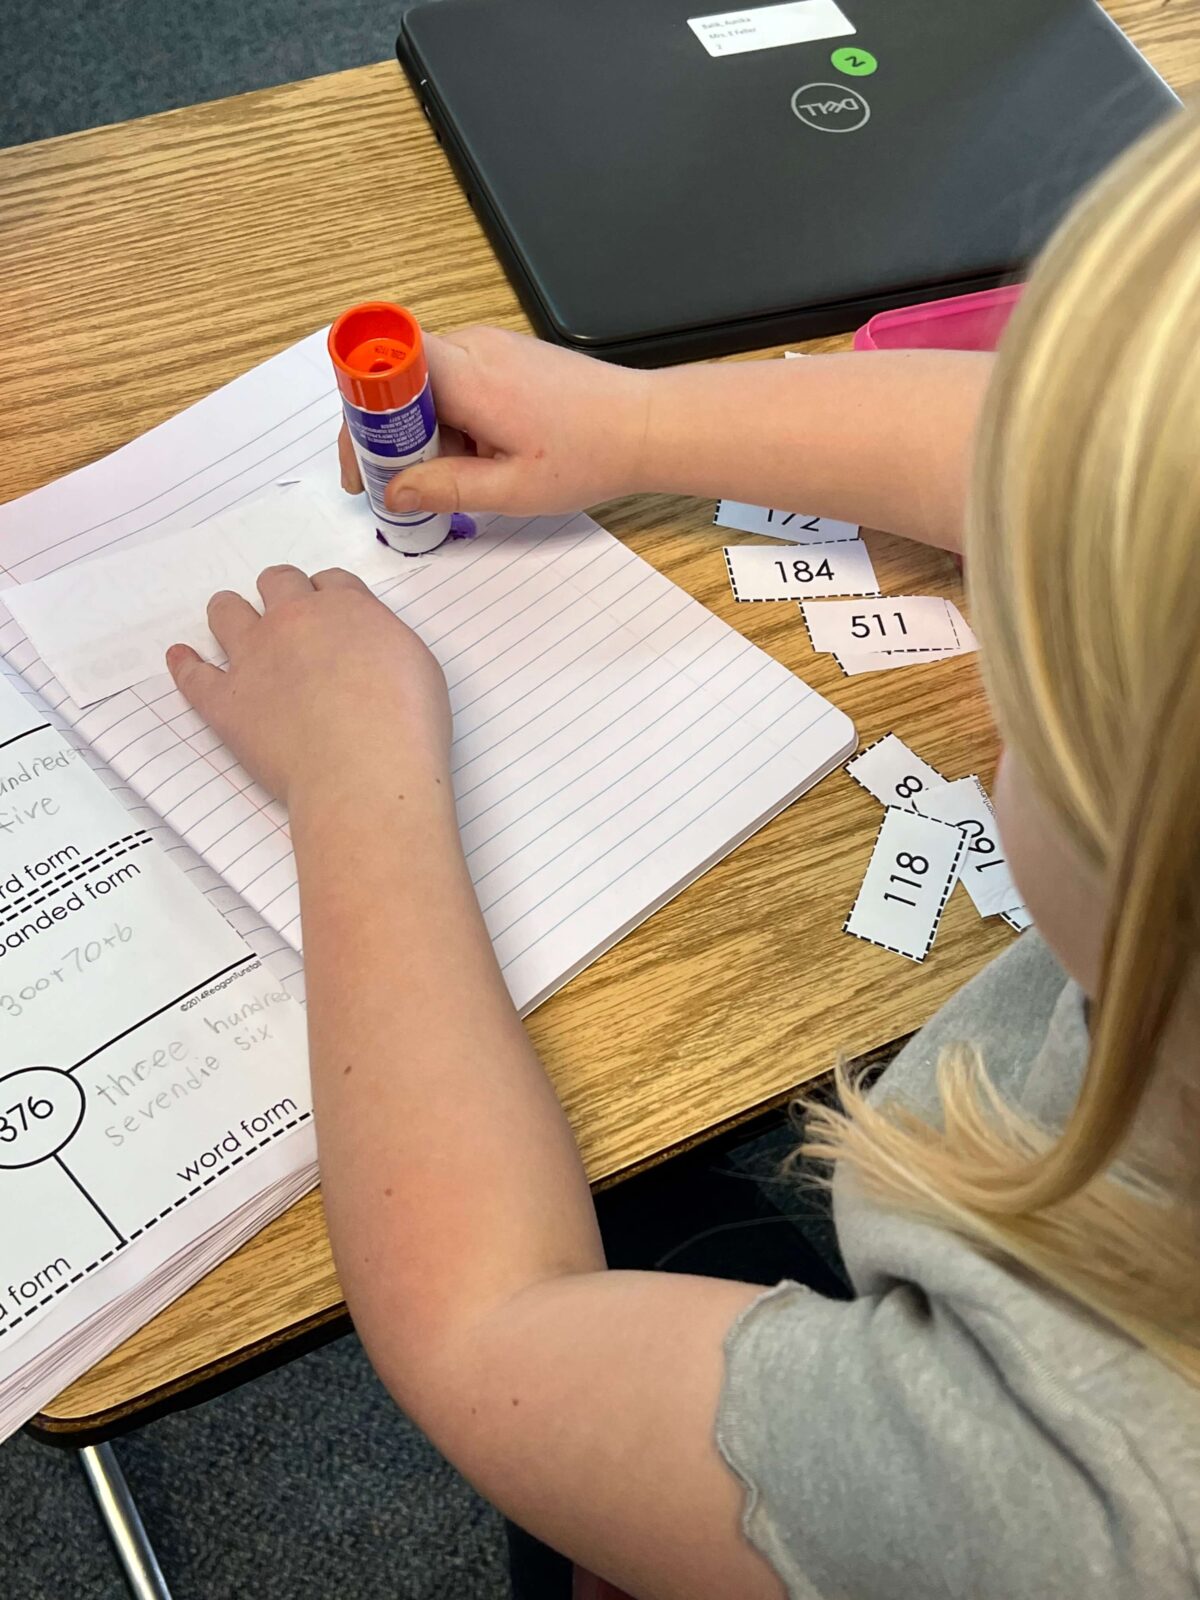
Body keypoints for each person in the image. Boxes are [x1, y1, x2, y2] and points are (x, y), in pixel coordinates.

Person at [165, 107, 1200, 1599]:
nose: (986, 717)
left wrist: (356, 786)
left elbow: (490, 1333)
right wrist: (633, 422)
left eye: (1026, 689)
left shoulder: (1080, 1495)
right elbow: (1066, 470)